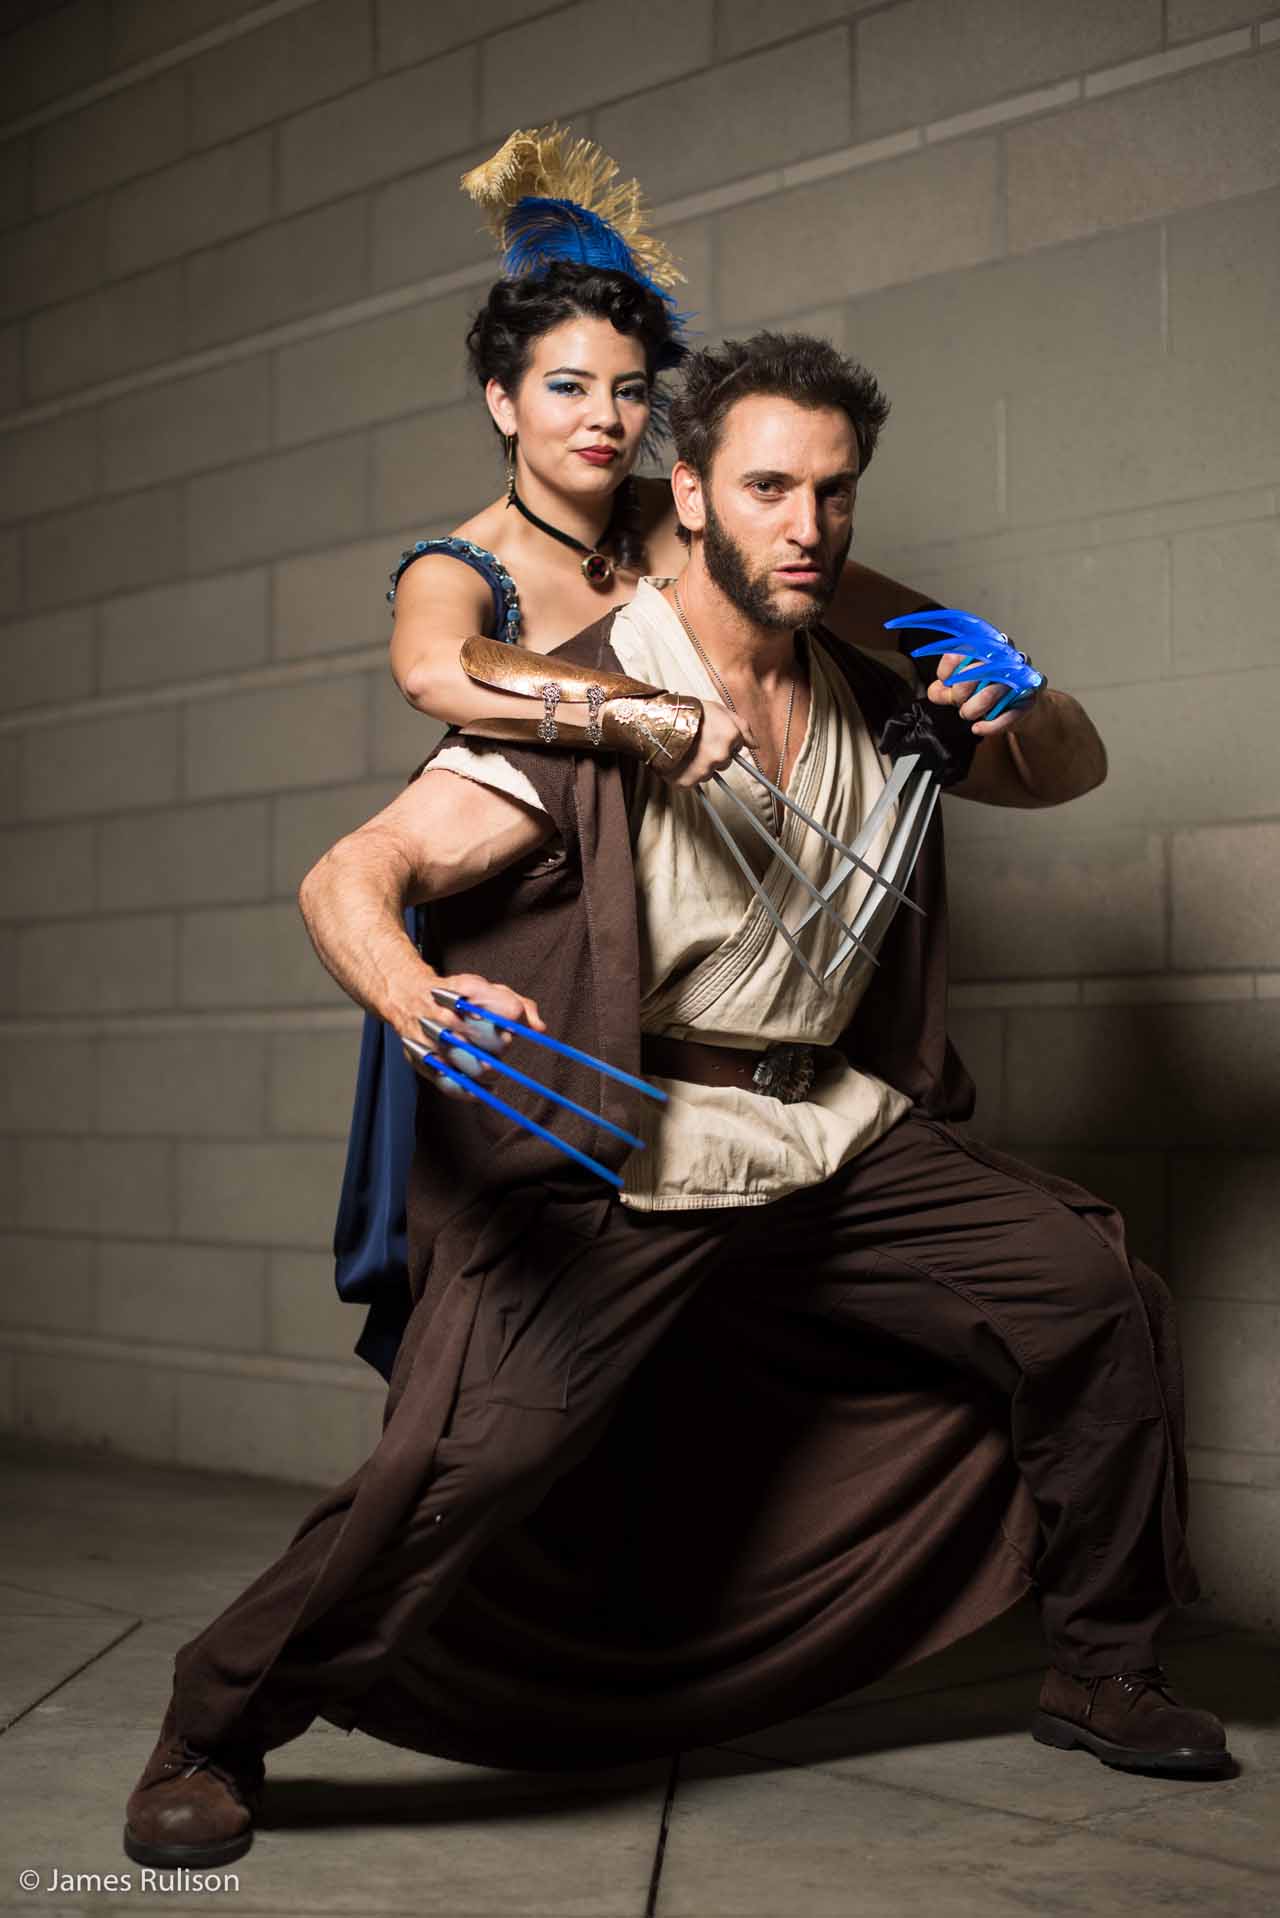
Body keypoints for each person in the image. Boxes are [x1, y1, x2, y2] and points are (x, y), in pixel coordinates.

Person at [123, 330, 1228, 1871]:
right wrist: (418, 995)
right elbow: (350, 875)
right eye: (770, 487)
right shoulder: (588, 705)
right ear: (691, 494)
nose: (809, 525)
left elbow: (1064, 769)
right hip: (650, 1142)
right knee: (475, 1455)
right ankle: (213, 1725)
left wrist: (1028, 696)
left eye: (834, 492)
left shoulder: (868, 685)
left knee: (1091, 1292)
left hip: (831, 1129)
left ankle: (1102, 1664)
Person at [336, 125, 949, 1372]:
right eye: (566, 387)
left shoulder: (675, 521)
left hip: (682, 908)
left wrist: (974, 655)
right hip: (522, 916)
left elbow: (841, 590)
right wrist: (640, 714)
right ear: (503, 402)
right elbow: (434, 672)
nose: (605, 419)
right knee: (500, 1320)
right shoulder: (465, 561)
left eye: (628, 391)